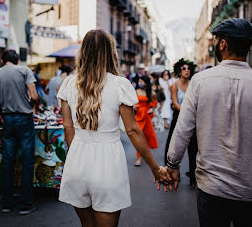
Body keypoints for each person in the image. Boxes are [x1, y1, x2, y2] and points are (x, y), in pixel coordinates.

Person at [165, 19, 252, 227]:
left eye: (216, 41)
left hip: (212, 188)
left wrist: (172, 165)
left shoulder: (200, 82)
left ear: (222, 44)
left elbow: (182, 131)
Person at [57, 30, 168, 227]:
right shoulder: (119, 85)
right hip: (108, 163)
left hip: (77, 160)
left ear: (83, 52)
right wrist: (154, 168)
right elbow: (132, 130)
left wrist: (77, 154)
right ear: (111, 53)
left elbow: (67, 127)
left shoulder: (68, 84)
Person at [0, 50, 38, 215]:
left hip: (7, 120)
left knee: (8, 162)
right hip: (24, 119)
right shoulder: (24, 70)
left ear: (2, 61)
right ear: (17, 60)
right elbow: (34, 95)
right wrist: (32, 106)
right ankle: (26, 203)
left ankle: (7, 203)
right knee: (27, 161)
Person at [164, 58, 197, 187]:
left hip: (192, 117)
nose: (186, 70)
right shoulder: (174, 85)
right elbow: (175, 102)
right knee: (171, 144)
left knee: (193, 147)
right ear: (179, 70)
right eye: (184, 68)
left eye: (188, 68)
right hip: (178, 117)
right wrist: (187, 110)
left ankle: (193, 178)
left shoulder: (193, 84)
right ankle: (169, 173)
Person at [134, 75, 159, 166]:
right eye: (139, 81)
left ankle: (144, 155)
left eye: (142, 81)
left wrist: (152, 109)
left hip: (147, 116)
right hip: (138, 116)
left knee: (146, 137)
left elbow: (154, 103)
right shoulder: (136, 91)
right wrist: (134, 107)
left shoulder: (151, 93)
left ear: (146, 82)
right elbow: (133, 102)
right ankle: (139, 158)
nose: (140, 83)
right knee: (138, 138)